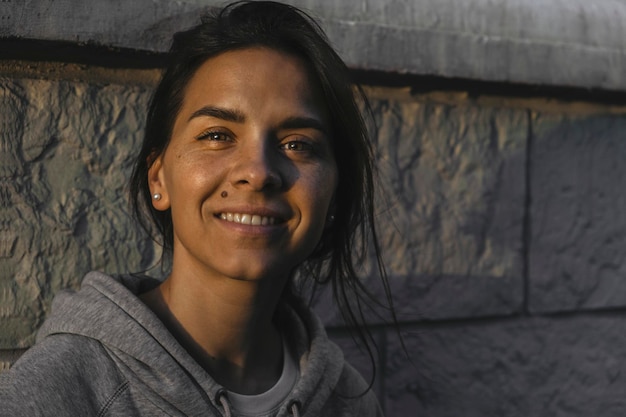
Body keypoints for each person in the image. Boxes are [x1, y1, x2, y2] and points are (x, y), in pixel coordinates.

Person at [0, 1, 396, 416]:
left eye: (298, 144)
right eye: (217, 135)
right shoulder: (61, 391)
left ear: (333, 192)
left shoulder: (350, 402)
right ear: (159, 180)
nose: (258, 172)